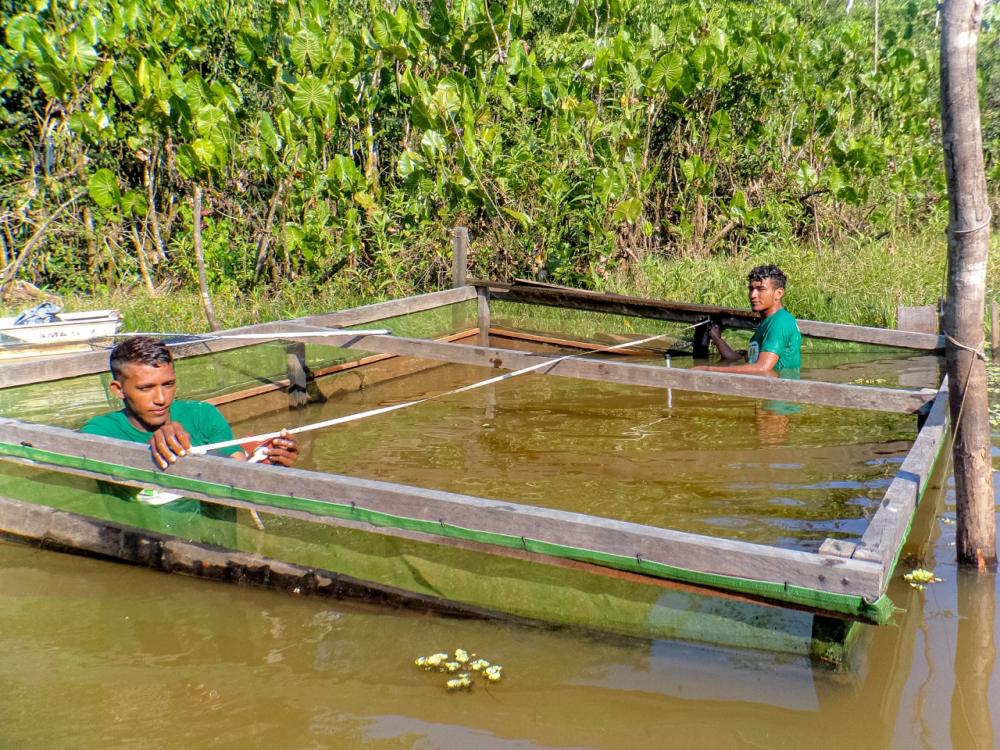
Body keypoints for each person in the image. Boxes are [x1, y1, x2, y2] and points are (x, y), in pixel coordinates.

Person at [81, 337, 298, 529]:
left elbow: (237, 464)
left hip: (218, 551)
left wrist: (266, 463)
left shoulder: (202, 415)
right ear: (118, 389)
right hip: (145, 557)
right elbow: (87, 455)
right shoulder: (100, 431)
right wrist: (150, 447)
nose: (160, 398)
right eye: (146, 388)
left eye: (168, 384)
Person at [693, 264, 801, 375]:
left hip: (778, 390)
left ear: (778, 293)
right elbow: (741, 359)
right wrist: (717, 339)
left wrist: (708, 370)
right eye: (751, 289)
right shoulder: (767, 323)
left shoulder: (780, 322)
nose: (753, 295)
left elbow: (762, 368)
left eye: (760, 289)